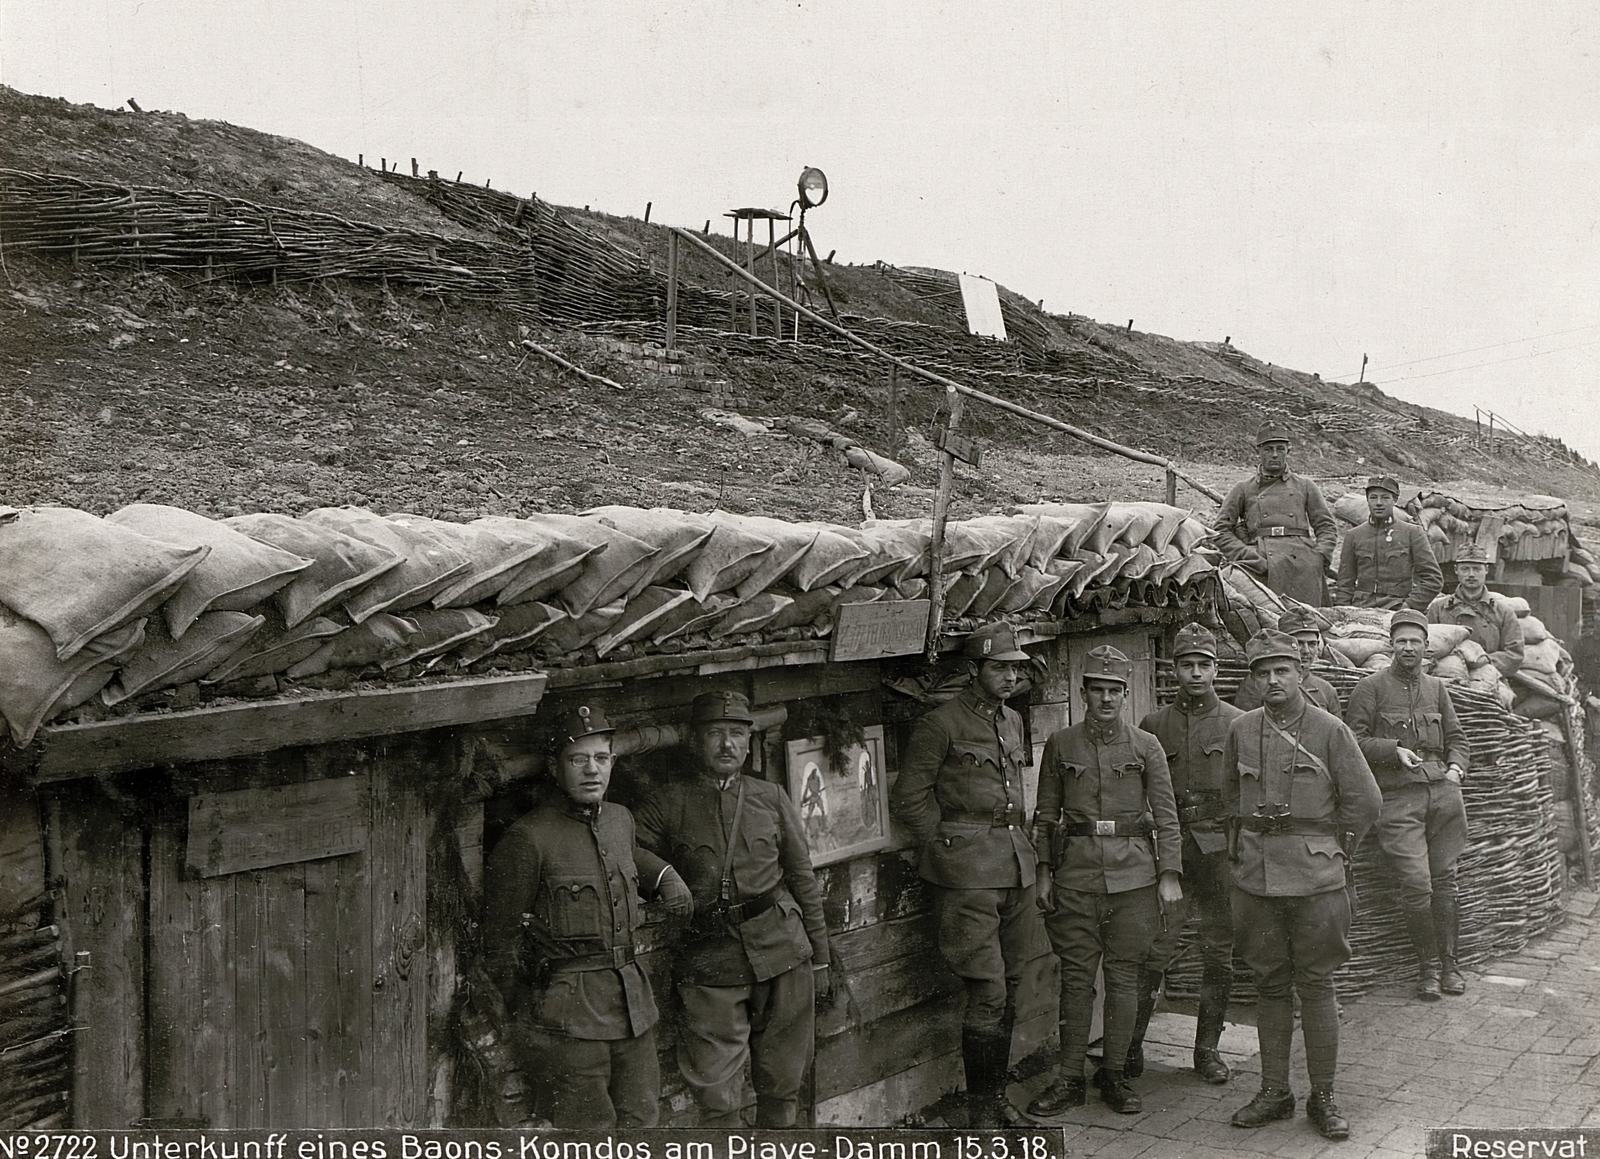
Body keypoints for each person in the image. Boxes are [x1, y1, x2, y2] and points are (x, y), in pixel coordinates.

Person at [484, 703, 695, 1127]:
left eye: (600, 758)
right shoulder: (528, 839)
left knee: (642, 1126)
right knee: (588, 1139)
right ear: (554, 766)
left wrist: (666, 873)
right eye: (578, 759)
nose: (591, 770)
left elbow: (624, 853)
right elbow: (497, 944)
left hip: (633, 1011)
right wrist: (537, 1010)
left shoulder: (620, 819)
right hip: (568, 1023)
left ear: (613, 763)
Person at [634, 690, 829, 1128]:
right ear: (694, 741)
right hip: (710, 961)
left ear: (748, 742)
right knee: (717, 1097)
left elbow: (802, 878)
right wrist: (664, 875)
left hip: (783, 950)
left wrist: (822, 958)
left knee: (783, 1087)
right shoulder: (667, 803)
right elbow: (627, 847)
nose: (727, 745)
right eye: (715, 734)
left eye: (737, 734)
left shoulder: (771, 797)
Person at [1224, 630, 1381, 1141]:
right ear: (1253, 679)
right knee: (1268, 984)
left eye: (1282, 670)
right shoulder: (1241, 730)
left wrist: (1334, 853)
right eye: (1263, 672)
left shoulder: (1330, 729)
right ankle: (1274, 1091)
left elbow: (1365, 802)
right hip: (1257, 880)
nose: (1273, 680)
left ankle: (1324, 1094)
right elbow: (1231, 800)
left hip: (1316, 881)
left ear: (1300, 673)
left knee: (1316, 985)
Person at [889, 622, 1036, 1128]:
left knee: (1013, 983)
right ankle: (982, 1114)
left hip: (1016, 865)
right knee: (989, 991)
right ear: (974, 670)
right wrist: (948, 846)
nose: (1010, 676)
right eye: (1000, 667)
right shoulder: (942, 723)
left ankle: (996, 1099)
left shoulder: (1013, 721)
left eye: (1016, 667)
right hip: (967, 874)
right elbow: (910, 797)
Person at [1027, 645, 1183, 1118]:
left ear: (1125, 693)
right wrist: (1043, 873)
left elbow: (1167, 816)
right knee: (1076, 980)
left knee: (1124, 978)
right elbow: (1045, 815)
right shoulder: (1061, 744)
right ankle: (1069, 1077)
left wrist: (1168, 875)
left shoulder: (1145, 746)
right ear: (1084, 693)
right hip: (1075, 878)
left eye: (1115, 691)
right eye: (1098, 690)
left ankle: (1113, 1074)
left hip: (1134, 878)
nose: (1107, 700)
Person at [1129, 624, 1242, 1085]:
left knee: (1219, 951)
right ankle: (1129, 1047)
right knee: (1153, 947)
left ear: (1216, 669)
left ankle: (1207, 1051)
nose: (1195, 673)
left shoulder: (1238, 721)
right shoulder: (1154, 725)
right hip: (1169, 852)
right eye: (1186, 665)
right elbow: (1138, 790)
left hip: (1218, 852)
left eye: (1204, 664)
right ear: (1173, 669)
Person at [1344, 609, 1471, 1000]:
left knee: (1445, 880)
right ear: (1391, 646)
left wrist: (1455, 771)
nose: (1408, 648)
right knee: (1417, 884)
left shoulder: (1436, 688)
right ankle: (1428, 968)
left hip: (1443, 795)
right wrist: (1393, 750)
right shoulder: (1371, 688)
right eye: (1401, 641)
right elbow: (1352, 742)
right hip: (1398, 799)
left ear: (1426, 645)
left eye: (1415, 641)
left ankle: (1450, 966)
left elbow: (1458, 739)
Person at [1214, 422, 1339, 606]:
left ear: (1287, 451)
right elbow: (1221, 530)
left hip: (1303, 560)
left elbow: (1326, 526)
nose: (1274, 454)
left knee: (1310, 620)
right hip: (1261, 560)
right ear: (1259, 451)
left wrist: (1319, 556)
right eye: (1268, 449)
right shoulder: (1243, 488)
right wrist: (1246, 554)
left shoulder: (1305, 485)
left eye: (1280, 449)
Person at [1332, 475, 1443, 610]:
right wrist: (1344, 610)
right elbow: (1345, 583)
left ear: (1395, 500)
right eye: (1373, 498)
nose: (1379, 503)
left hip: (1398, 606)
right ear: (1367, 500)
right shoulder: (1354, 536)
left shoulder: (1412, 533)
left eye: (1385, 498)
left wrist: (1409, 606)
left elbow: (1433, 579)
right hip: (1361, 606)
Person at [1428, 543, 1524, 678]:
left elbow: (1514, 653)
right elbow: (1427, 647)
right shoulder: (1438, 608)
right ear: (1456, 570)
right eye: (1465, 569)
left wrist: (1486, 660)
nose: (1471, 574)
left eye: (1477, 569)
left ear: (1486, 570)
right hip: (1446, 677)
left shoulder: (1502, 611)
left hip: (1490, 677)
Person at [1233, 608, 1342, 717]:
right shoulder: (1256, 685)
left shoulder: (1325, 689)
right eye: (1299, 643)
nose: (1306, 651)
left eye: (1312, 644)